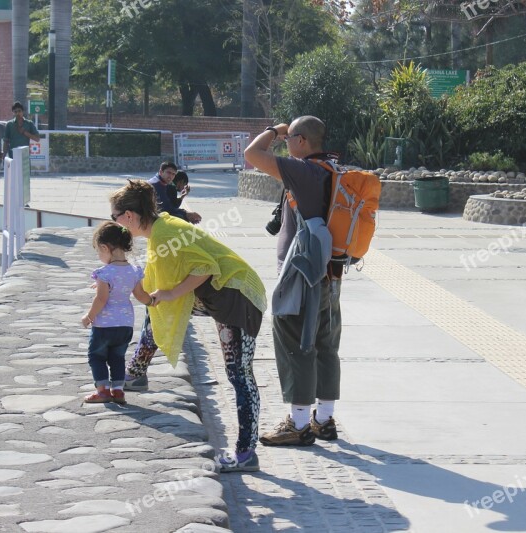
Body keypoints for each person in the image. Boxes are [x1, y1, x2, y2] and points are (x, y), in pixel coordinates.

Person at [113, 180, 266, 472]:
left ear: (129, 216)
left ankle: (246, 453)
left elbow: (206, 266)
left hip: (238, 296)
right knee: (157, 305)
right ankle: (136, 371)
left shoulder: (165, 232)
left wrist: (170, 293)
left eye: (115, 217)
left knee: (239, 373)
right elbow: (161, 277)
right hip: (220, 296)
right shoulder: (161, 227)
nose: (116, 223)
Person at [244, 116, 342, 446]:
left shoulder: (304, 170)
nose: (286, 143)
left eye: (290, 139)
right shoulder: (333, 169)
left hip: (301, 275)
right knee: (326, 345)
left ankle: (298, 424)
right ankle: (324, 420)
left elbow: (251, 154)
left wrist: (274, 130)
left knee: (295, 342)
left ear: (301, 140)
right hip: (331, 274)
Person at [81, 221, 151, 405]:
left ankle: (103, 391)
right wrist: (152, 300)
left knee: (96, 356)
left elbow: (101, 300)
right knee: (117, 357)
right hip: (125, 325)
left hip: (104, 325)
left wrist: (89, 317)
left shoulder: (103, 273)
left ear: (105, 247)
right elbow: (140, 295)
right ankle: (118, 391)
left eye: (99, 251)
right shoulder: (134, 271)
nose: (99, 255)